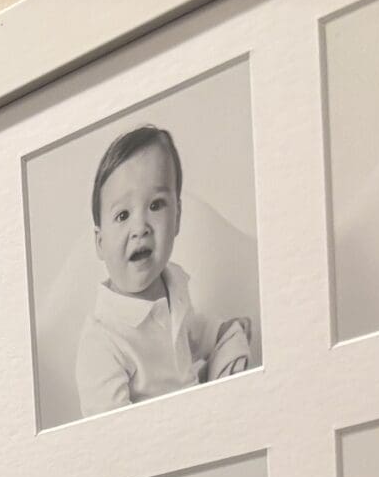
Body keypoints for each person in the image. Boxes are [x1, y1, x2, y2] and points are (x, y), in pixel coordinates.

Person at [75, 124, 255, 417]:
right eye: (123, 215)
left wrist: (224, 332)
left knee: (235, 340)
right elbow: (110, 442)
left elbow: (191, 334)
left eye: (156, 205)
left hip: (198, 419)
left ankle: (226, 407)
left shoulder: (173, 287)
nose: (140, 227)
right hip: (155, 449)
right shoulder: (102, 342)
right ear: (100, 242)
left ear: (178, 217)